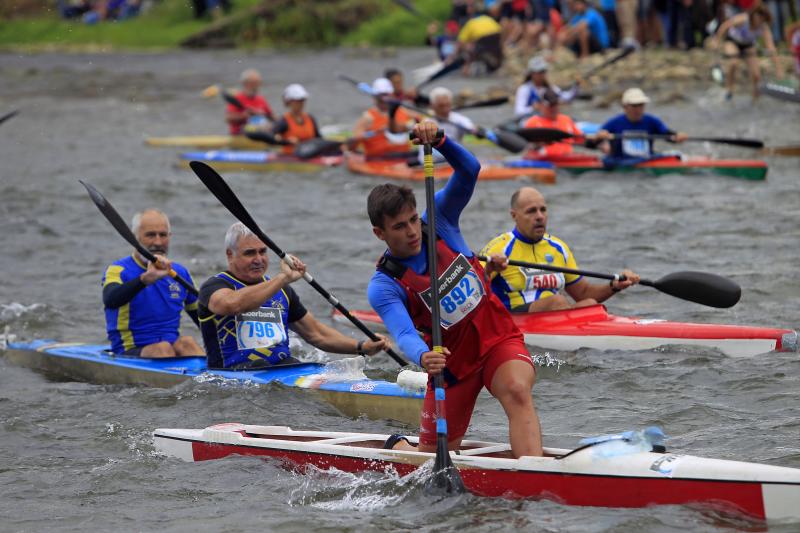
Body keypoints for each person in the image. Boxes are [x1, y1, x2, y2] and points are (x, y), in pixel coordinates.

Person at [368, 121, 544, 459]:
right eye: (399, 227)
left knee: (518, 390)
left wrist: (442, 140)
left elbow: (470, 169)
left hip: (498, 340)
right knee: (430, 458)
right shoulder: (384, 284)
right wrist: (422, 355)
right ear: (380, 233)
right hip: (450, 367)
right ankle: (399, 444)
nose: (411, 232)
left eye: (411, 220)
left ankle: (534, 478)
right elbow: (402, 331)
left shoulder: (440, 218)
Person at [198, 223, 388, 370]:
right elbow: (232, 305)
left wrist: (362, 346)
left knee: (300, 365)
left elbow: (317, 334)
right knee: (260, 366)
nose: (258, 259)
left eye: (263, 251)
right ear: (230, 255)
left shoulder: (283, 291)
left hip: (283, 370)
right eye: (249, 253)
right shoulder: (214, 287)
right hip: (231, 375)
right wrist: (283, 278)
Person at [480, 187, 640, 313]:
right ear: (514, 216)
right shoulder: (498, 248)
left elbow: (583, 293)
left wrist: (614, 286)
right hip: (512, 318)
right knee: (557, 301)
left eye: (543, 210)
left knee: (590, 304)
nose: (540, 216)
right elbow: (470, 292)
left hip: (555, 315)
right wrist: (488, 270)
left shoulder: (558, 248)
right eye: (531, 211)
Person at [102, 209, 204, 357]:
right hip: (129, 350)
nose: (158, 242)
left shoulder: (180, 273)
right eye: (150, 235)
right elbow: (110, 300)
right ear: (135, 238)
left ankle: (212, 378)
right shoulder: (118, 270)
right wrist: (144, 280)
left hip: (170, 348)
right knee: (162, 349)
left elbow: (202, 320)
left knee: (188, 343)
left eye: (163, 235)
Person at [596, 87, 687, 167]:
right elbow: (591, 143)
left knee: (677, 155)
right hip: (620, 161)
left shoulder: (651, 121)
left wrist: (677, 136)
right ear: (625, 107)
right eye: (634, 106)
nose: (638, 109)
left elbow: (667, 135)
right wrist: (599, 138)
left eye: (641, 105)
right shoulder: (614, 123)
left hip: (647, 160)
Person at [713, 4, 784, 100]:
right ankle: (729, 89)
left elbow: (771, 49)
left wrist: (778, 69)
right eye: (758, 17)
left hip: (748, 45)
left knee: (756, 75)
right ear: (753, 15)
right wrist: (717, 41)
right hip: (733, 41)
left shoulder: (764, 28)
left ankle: (755, 96)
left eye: (762, 19)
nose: (759, 21)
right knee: (733, 63)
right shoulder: (743, 19)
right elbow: (725, 26)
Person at [352, 78, 416, 159]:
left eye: (386, 94)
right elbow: (352, 144)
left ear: (391, 95)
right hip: (378, 159)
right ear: (375, 97)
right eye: (381, 95)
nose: (383, 99)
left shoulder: (404, 111)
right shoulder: (367, 118)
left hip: (404, 157)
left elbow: (422, 121)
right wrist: (375, 132)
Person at [418, 86, 476, 164]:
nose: (445, 109)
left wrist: (475, 131)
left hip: (453, 161)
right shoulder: (426, 122)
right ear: (432, 106)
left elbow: (472, 128)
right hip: (430, 164)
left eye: (447, 105)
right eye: (441, 106)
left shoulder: (459, 119)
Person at [523, 89, 587, 158]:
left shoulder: (566, 120)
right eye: (550, 105)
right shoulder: (532, 122)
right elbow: (525, 147)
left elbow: (581, 139)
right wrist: (536, 145)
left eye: (555, 105)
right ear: (541, 105)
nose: (553, 108)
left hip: (566, 160)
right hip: (543, 162)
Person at [514, 56, 578, 119]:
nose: (542, 75)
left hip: (548, 120)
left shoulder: (550, 88)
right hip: (531, 121)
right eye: (539, 72)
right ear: (531, 73)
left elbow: (567, 98)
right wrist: (533, 108)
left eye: (543, 71)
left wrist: (576, 86)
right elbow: (519, 111)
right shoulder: (524, 89)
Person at [270, 84, 321, 155]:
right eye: (298, 100)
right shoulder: (283, 121)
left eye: (302, 100)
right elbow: (271, 137)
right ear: (289, 102)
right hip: (290, 157)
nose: (301, 103)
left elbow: (319, 138)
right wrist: (286, 141)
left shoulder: (310, 118)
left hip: (310, 155)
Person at [225, 69, 275, 136]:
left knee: (272, 126)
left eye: (258, 83)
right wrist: (245, 115)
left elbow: (273, 118)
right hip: (240, 133)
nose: (257, 85)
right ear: (245, 83)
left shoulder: (261, 99)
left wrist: (263, 114)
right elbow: (228, 119)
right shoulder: (237, 98)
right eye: (253, 83)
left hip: (260, 131)